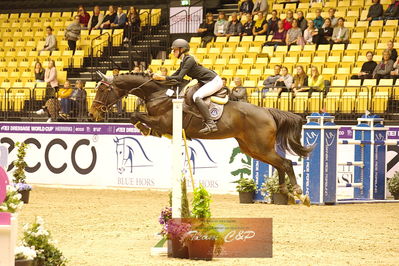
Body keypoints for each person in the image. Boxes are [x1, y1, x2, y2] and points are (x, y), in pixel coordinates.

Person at [152, 39, 223, 134]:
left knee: (196, 97)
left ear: (182, 50)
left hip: (214, 81)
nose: (172, 52)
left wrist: (162, 78)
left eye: (175, 50)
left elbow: (179, 78)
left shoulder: (189, 60)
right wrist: (159, 79)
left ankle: (211, 124)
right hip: (206, 81)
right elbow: (174, 76)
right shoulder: (184, 61)